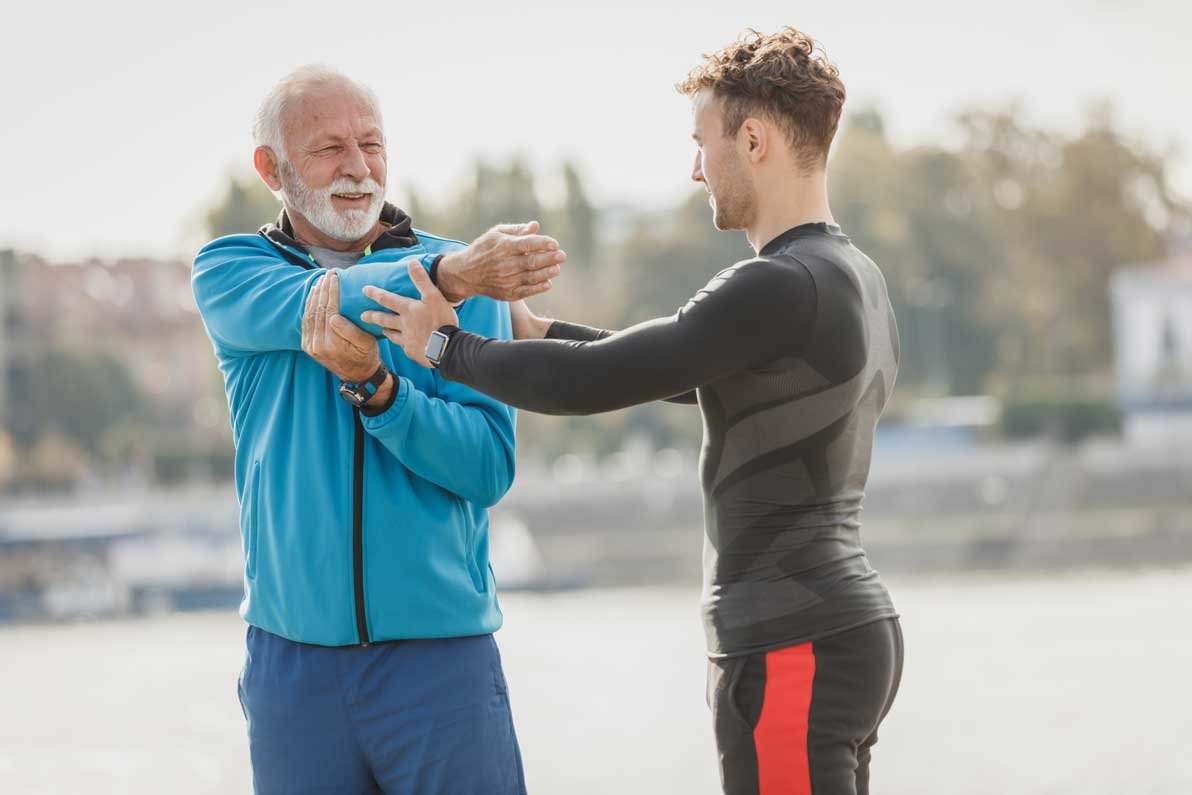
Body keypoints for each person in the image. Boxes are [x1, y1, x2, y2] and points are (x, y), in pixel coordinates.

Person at [365, 28, 903, 795]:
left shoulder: (778, 284)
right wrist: (539, 331)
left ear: (754, 141)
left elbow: (596, 381)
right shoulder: (855, 277)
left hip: (791, 639)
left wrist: (445, 347)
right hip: (840, 630)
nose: (696, 170)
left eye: (702, 143)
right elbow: (678, 372)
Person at [191, 65, 565, 795]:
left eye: (370, 143)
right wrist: (450, 275)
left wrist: (385, 395)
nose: (357, 168)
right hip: (293, 670)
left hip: (441, 663)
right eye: (329, 148)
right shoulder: (231, 270)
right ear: (271, 168)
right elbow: (320, 300)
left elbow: (488, 466)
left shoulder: (470, 278)